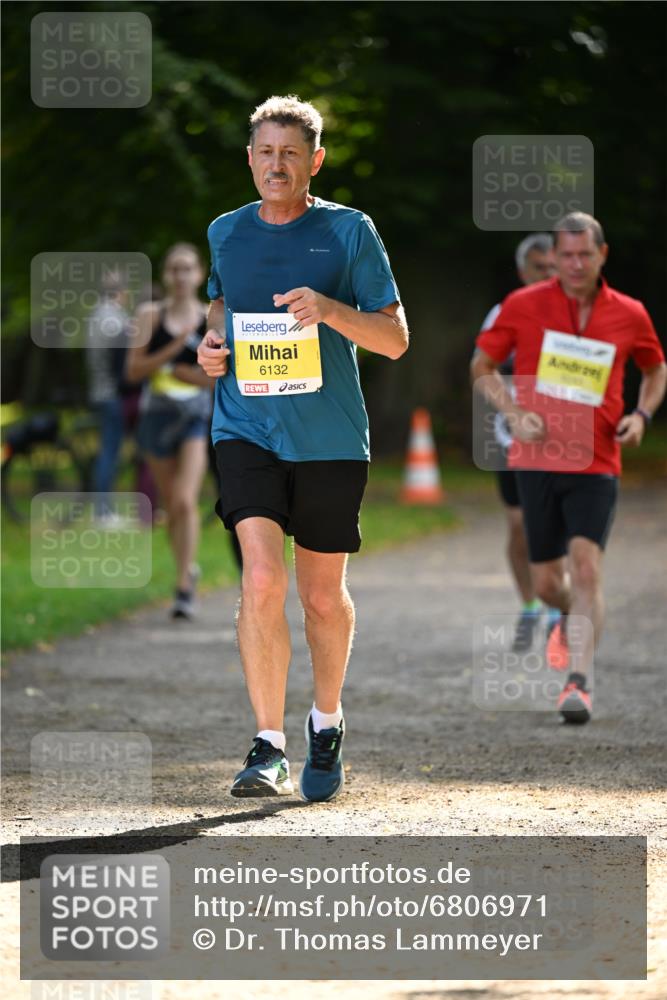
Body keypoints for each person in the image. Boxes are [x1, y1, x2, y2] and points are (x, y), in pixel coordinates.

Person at [197, 95, 408, 801]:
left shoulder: (348, 232)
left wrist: (331, 310)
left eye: (290, 153)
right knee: (260, 578)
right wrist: (212, 344)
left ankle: (325, 721)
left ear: (313, 161)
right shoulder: (225, 231)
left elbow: (394, 337)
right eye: (264, 151)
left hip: (328, 437)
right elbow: (218, 301)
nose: (275, 164)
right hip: (245, 425)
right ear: (249, 158)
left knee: (320, 598)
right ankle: (267, 743)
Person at [472, 212, 666, 724]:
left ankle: (577, 683)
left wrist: (641, 415)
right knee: (547, 583)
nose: (576, 264)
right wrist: (513, 412)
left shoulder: (630, 313)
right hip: (534, 459)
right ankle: (562, 615)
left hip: (598, 459)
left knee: (586, 567)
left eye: (586, 254)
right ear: (554, 258)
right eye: (567, 255)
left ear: (602, 255)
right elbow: (482, 367)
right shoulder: (522, 305)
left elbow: (655, 366)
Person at [478, 234, 559, 651]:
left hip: (565, 437)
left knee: (555, 523)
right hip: (512, 438)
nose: (548, 274)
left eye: (553, 267)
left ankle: (557, 609)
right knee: (519, 526)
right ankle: (530, 605)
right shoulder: (503, 313)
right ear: (522, 272)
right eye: (539, 268)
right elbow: (484, 369)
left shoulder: (573, 312)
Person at [127, 243, 215, 619]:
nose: (180, 276)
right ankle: (186, 567)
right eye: (174, 269)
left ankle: (183, 588)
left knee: (184, 499)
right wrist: (175, 348)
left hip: (195, 416)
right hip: (157, 416)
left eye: (187, 269)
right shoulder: (150, 314)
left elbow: (218, 376)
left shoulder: (210, 315)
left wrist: (190, 374)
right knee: (169, 505)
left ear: (199, 274)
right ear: (166, 275)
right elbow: (133, 371)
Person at [86, 268, 131, 521]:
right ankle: (103, 512)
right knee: (110, 452)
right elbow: (120, 360)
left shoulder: (96, 314)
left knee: (107, 450)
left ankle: (103, 509)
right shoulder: (115, 318)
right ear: (121, 292)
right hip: (111, 392)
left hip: (97, 389)